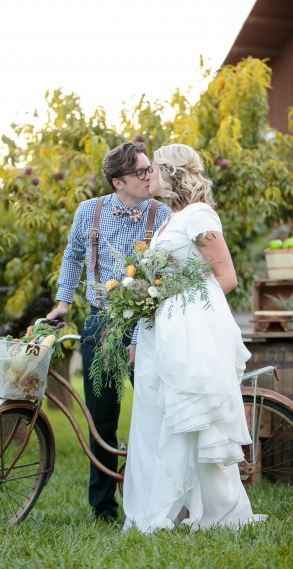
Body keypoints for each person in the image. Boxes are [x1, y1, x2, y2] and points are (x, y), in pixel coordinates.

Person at [122, 144, 266, 532]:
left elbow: (226, 276)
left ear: (171, 172)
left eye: (152, 169)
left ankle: (218, 511)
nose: (146, 175)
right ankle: (167, 509)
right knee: (159, 419)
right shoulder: (169, 219)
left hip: (189, 335)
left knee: (195, 420)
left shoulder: (200, 215)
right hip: (160, 334)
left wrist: (183, 308)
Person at [46, 141, 170, 521]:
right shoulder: (90, 211)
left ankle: (161, 494)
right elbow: (72, 257)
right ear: (118, 181)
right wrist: (64, 302)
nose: (150, 176)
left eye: (150, 169)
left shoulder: (163, 214)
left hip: (148, 323)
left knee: (158, 407)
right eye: (141, 172)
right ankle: (103, 507)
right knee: (102, 415)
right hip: (101, 322)